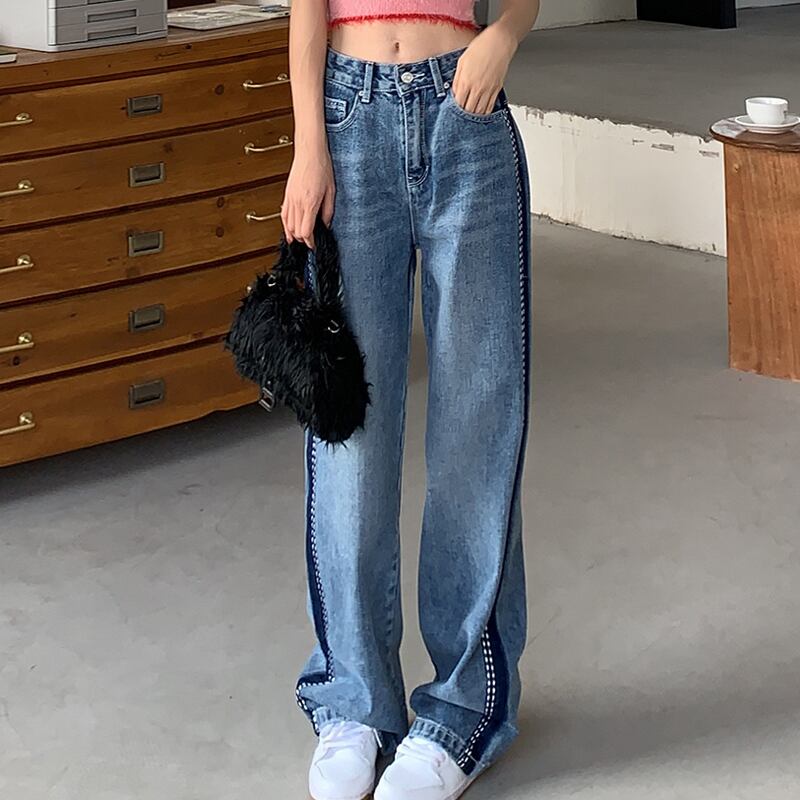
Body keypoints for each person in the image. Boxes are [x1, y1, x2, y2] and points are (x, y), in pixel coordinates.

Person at [281, 0, 540, 797]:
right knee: (349, 434)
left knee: (476, 427)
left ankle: (462, 711)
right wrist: (309, 147)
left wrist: (504, 36)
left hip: (467, 113)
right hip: (348, 119)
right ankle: (353, 700)